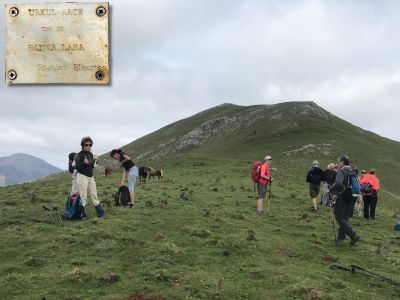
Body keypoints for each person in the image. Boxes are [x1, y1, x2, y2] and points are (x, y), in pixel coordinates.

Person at [330, 155, 360, 245]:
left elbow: (339, 183)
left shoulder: (342, 171)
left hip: (343, 196)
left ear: (342, 162)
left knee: (339, 217)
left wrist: (331, 189)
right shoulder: (352, 171)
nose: (337, 163)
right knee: (344, 218)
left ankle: (353, 235)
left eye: (338, 161)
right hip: (352, 197)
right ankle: (341, 237)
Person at [75, 136, 105, 218]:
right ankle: (81, 214)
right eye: (86, 144)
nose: (88, 146)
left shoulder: (91, 154)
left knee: (94, 193)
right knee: (83, 195)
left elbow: (92, 166)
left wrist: (96, 161)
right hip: (81, 176)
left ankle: (100, 212)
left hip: (90, 177)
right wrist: (84, 163)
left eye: (90, 145)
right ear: (82, 145)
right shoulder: (79, 155)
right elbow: (77, 167)